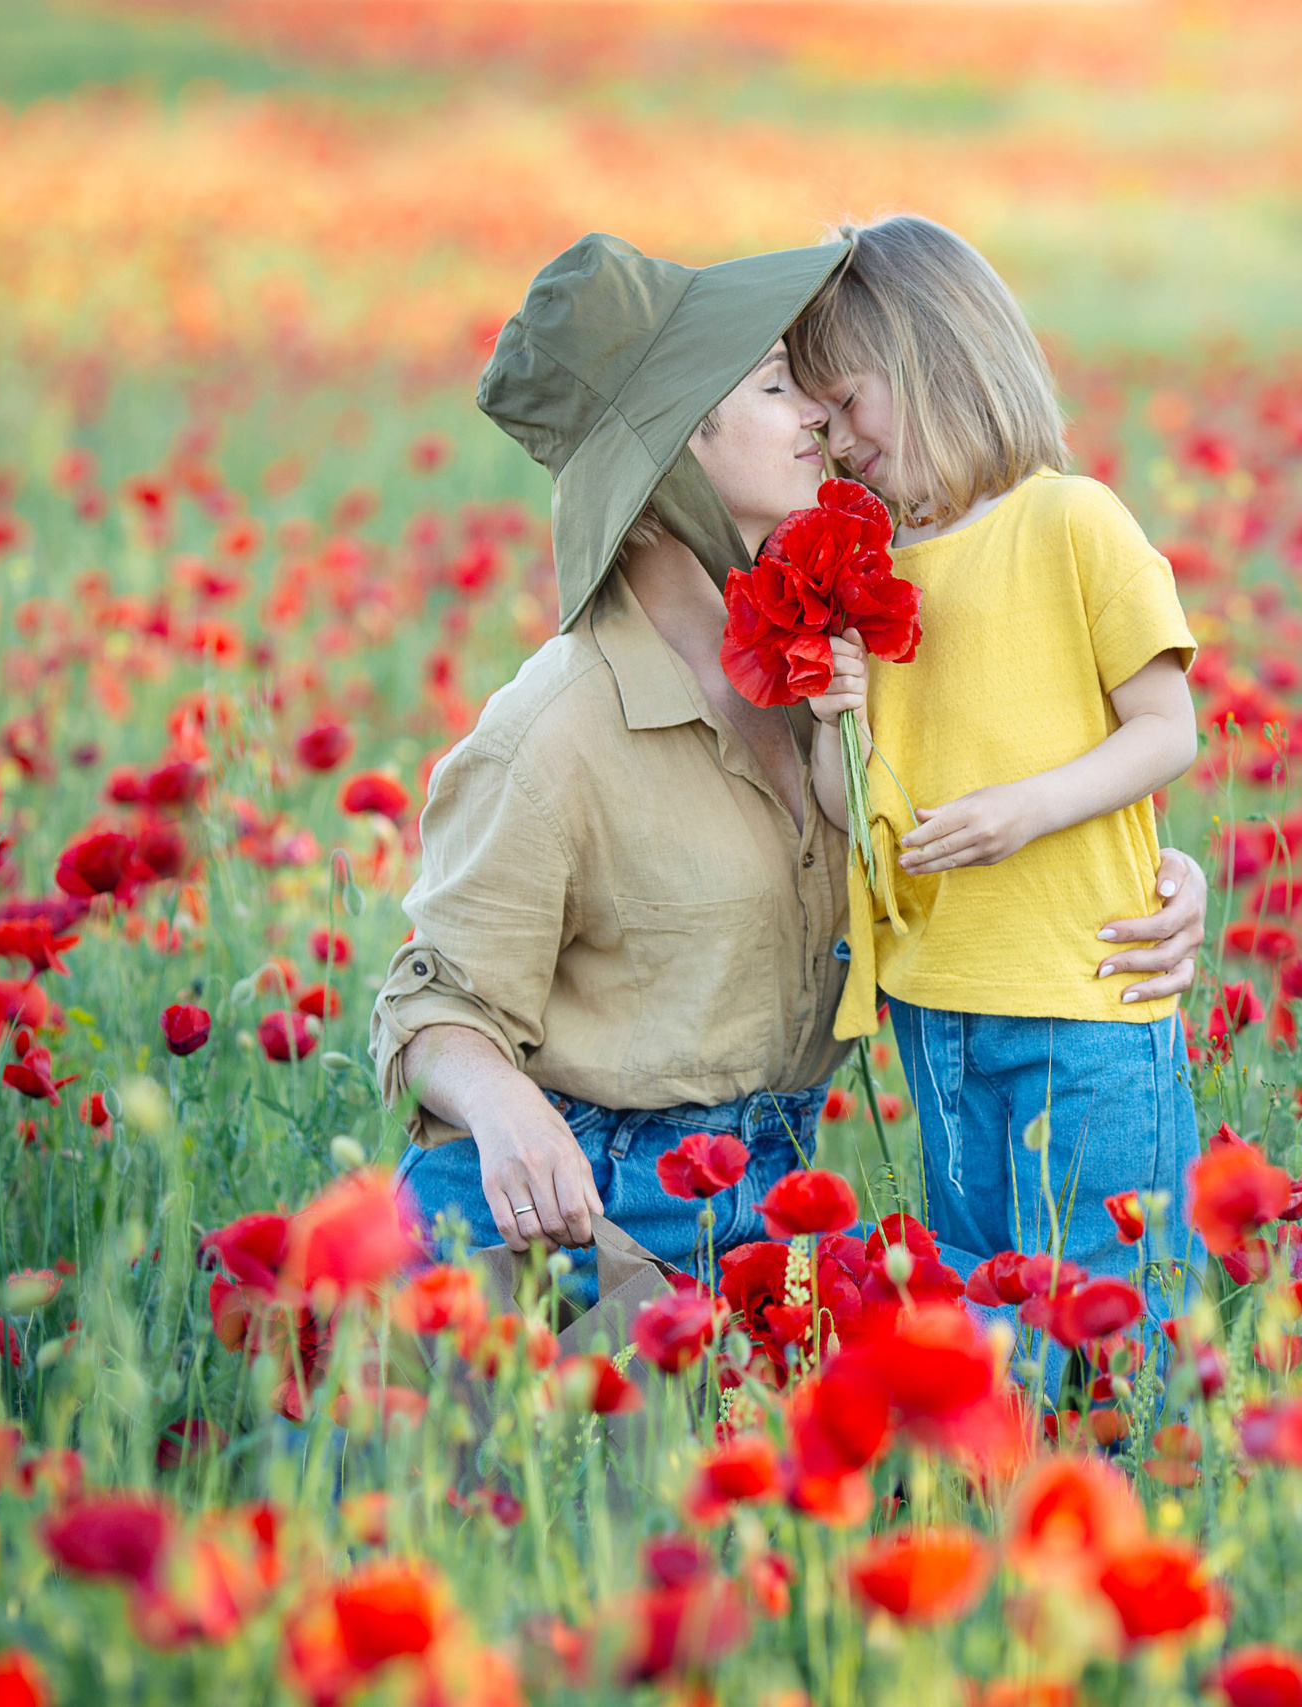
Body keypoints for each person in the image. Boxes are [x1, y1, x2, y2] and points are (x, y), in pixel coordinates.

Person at [369, 232, 1208, 1299]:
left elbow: (1008, 771)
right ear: (675, 448)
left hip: (767, 1197)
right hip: (578, 1213)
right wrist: (502, 1108)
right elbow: (428, 1002)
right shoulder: (551, 736)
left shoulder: (828, 644)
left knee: (1022, 1374)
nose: (818, 413)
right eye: (776, 386)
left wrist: (1154, 870)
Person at [788, 215, 1204, 1349]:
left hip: (1085, 990)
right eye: (816, 419)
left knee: (1121, 1289)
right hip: (939, 1002)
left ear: (936, 356)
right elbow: (849, 803)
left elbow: (1167, 730)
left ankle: (1137, 1495)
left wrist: (1030, 808)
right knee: (983, 1291)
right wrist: (837, 713)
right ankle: (1004, 1500)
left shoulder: (1070, 520)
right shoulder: (868, 563)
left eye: (848, 403)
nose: (834, 440)